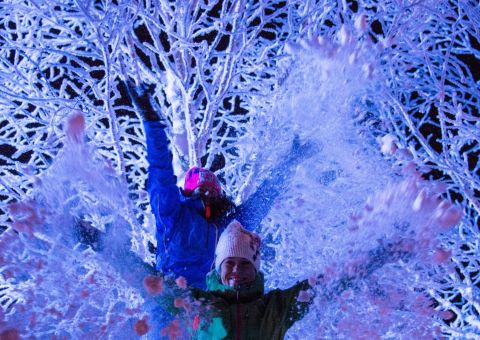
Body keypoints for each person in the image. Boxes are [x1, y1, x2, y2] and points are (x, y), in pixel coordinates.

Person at [124, 81, 317, 289]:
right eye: (200, 190)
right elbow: (160, 172)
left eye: (211, 191)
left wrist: (290, 162)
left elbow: (263, 199)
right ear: (189, 192)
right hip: (170, 297)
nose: (206, 194)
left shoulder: (226, 228)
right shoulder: (173, 216)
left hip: (208, 306)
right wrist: (151, 121)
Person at [160, 220, 314, 339]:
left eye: (245, 263)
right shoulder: (198, 303)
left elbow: (323, 285)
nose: (237, 270)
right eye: (229, 262)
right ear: (219, 269)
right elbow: (152, 283)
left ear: (256, 269)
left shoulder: (276, 308)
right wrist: (134, 265)